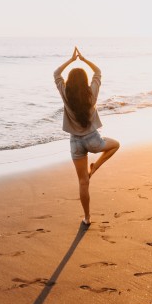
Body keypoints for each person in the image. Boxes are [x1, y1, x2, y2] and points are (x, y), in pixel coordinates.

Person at [53, 46, 120, 226]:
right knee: (115, 145)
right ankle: (96, 167)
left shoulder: (65, 93)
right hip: (93, 140)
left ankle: (87, 218)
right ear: (84, 81)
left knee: (83, 183)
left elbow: (56, 73)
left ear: (70, 82)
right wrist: (83, 60)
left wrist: (70, 60)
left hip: (75, 142)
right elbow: (98, 72)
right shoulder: (92, 93)